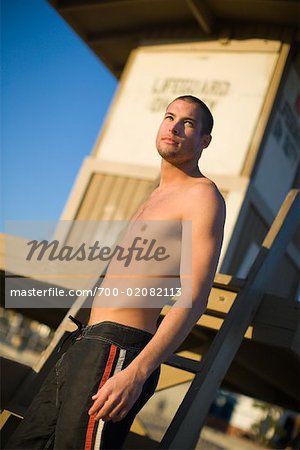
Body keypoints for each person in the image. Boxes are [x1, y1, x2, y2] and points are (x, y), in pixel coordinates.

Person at [6, 95, 226, 449]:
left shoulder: (202, 195)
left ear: (204, 141)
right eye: (169, 116)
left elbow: (194, 297)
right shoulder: (153, 198)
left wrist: (137, 372)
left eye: (187, 122)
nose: (173, 126)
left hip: (120, 351)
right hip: (85, 343)